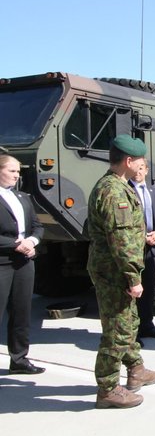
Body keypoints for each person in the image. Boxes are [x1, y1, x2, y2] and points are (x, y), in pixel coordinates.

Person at [87, 134, 155, 409]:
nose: (144, 165)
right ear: (129, 161)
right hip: (115, 272)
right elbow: (122, 239)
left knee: (128, 322)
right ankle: (107, 388)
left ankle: (136, 369)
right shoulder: (113, 191)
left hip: (113, 269)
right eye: (141, 160)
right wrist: (133, 276)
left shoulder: (117, 185)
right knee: (117, 330)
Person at [0, 154, 45, 375]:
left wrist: (32, 242)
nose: (17, 176)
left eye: (18, 172)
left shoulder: (22, 197)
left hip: (24, 262)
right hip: (2, 263)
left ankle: (19, 359)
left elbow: (37, 226)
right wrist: (14, 244)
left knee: (21, 312)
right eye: (11, 171)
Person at [129, 158, 155, 345]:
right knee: (133, 290)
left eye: (141, 168)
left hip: (151, 247)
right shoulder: (125, 190)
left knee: (149, 288)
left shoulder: (153, 191)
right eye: (135, 168)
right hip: (133, 248)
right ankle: (133, 332)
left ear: (146, 171)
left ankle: (147, 325)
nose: (138, 172)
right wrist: (141, 236)